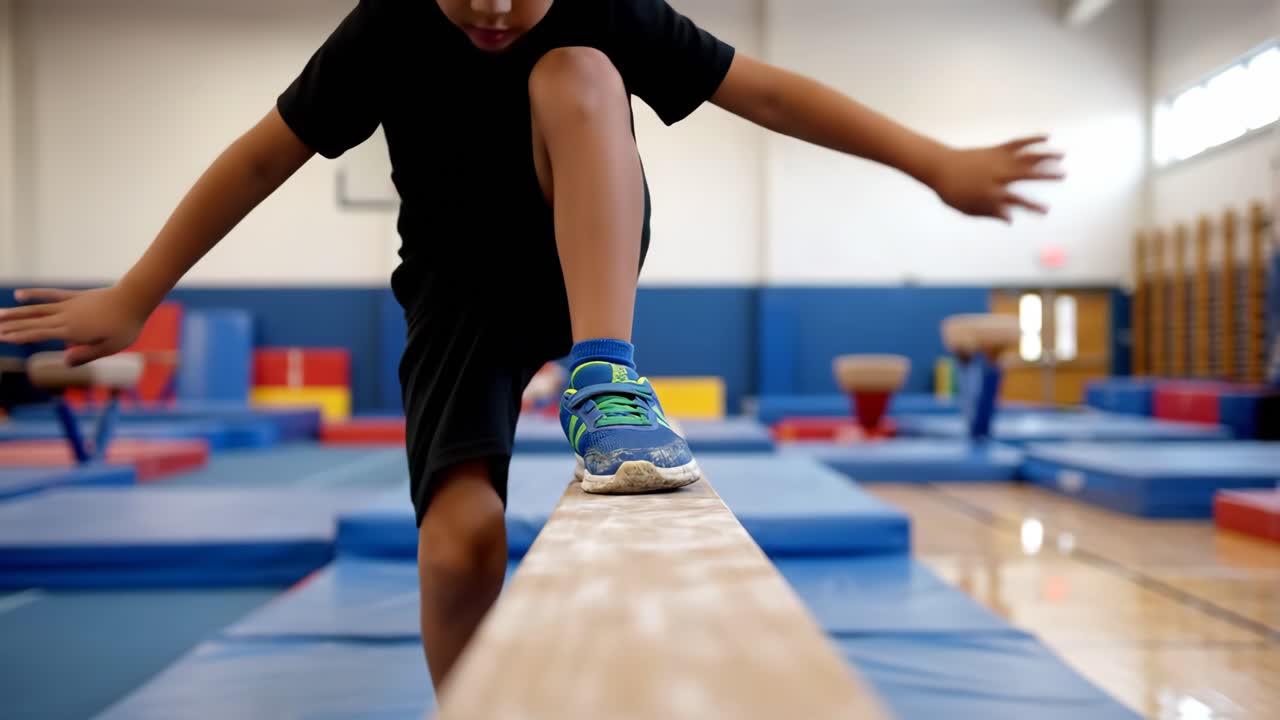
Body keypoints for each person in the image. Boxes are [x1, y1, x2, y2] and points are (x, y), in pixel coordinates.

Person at [0, 0, 1062, 689]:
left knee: (577, 71)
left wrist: (934, 162)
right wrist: (137, 293)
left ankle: (602, 376)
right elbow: (258, 160)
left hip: (582, 240)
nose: (495, 8)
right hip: (456, 297)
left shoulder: (602, 6)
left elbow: (767, 91)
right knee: (457, 544)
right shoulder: (385, 30)